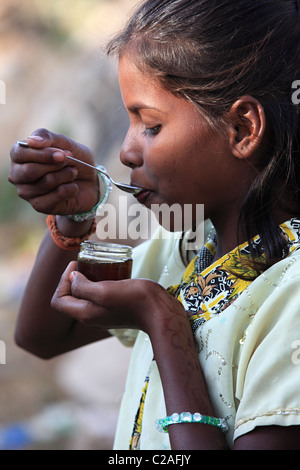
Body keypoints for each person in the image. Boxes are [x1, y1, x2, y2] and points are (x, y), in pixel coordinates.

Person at [8, 0, 300, 450]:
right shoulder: (189, 246)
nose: (126, 152)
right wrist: (76, 214)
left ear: (242, 129)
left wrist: (163, 321)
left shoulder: (291, 295)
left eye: (151, 125)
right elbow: (42, 336)